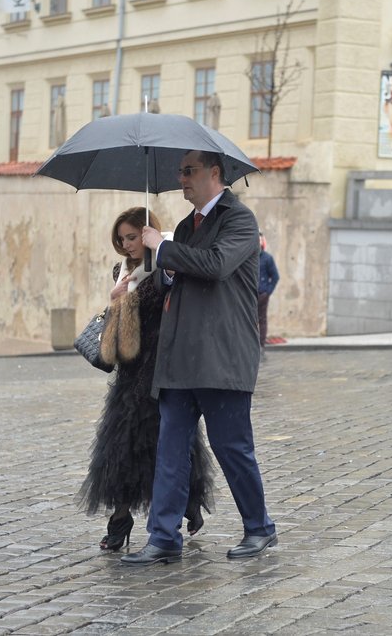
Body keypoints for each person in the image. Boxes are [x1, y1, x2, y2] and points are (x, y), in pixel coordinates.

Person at [121, 150, 276, 565]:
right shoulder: (187, 226)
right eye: (180, 171)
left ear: (214, 172)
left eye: (188, 171)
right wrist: (165, 265)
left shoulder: (239, 219)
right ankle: (164, 536)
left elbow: (217, 265)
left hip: (222, 357)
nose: (181, 178)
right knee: (170, 449)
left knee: (232, 448)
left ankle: (259, 528)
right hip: (179, 358)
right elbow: (177, 279)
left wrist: (164, 246)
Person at [77, 207, 215, 552]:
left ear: (147, 233)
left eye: (133, 236)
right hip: (130, 373)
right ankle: (120, 521)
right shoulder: (120, 271)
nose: (127, 245)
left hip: (162, 367)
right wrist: (115, 302)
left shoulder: (164, 267)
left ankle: (188, 504)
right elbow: (115, 334)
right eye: (122, 238)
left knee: (172, 445)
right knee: (121, 448)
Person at [257, 231, 280, 358]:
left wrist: (268, 291)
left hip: (262, 294)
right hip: (250, 295)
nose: (258, 242)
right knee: (249, 320)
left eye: (260, 240)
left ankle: (261, 344)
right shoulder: (249, 257)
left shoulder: (267, 258)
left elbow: (275, 276)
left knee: (262, 319)